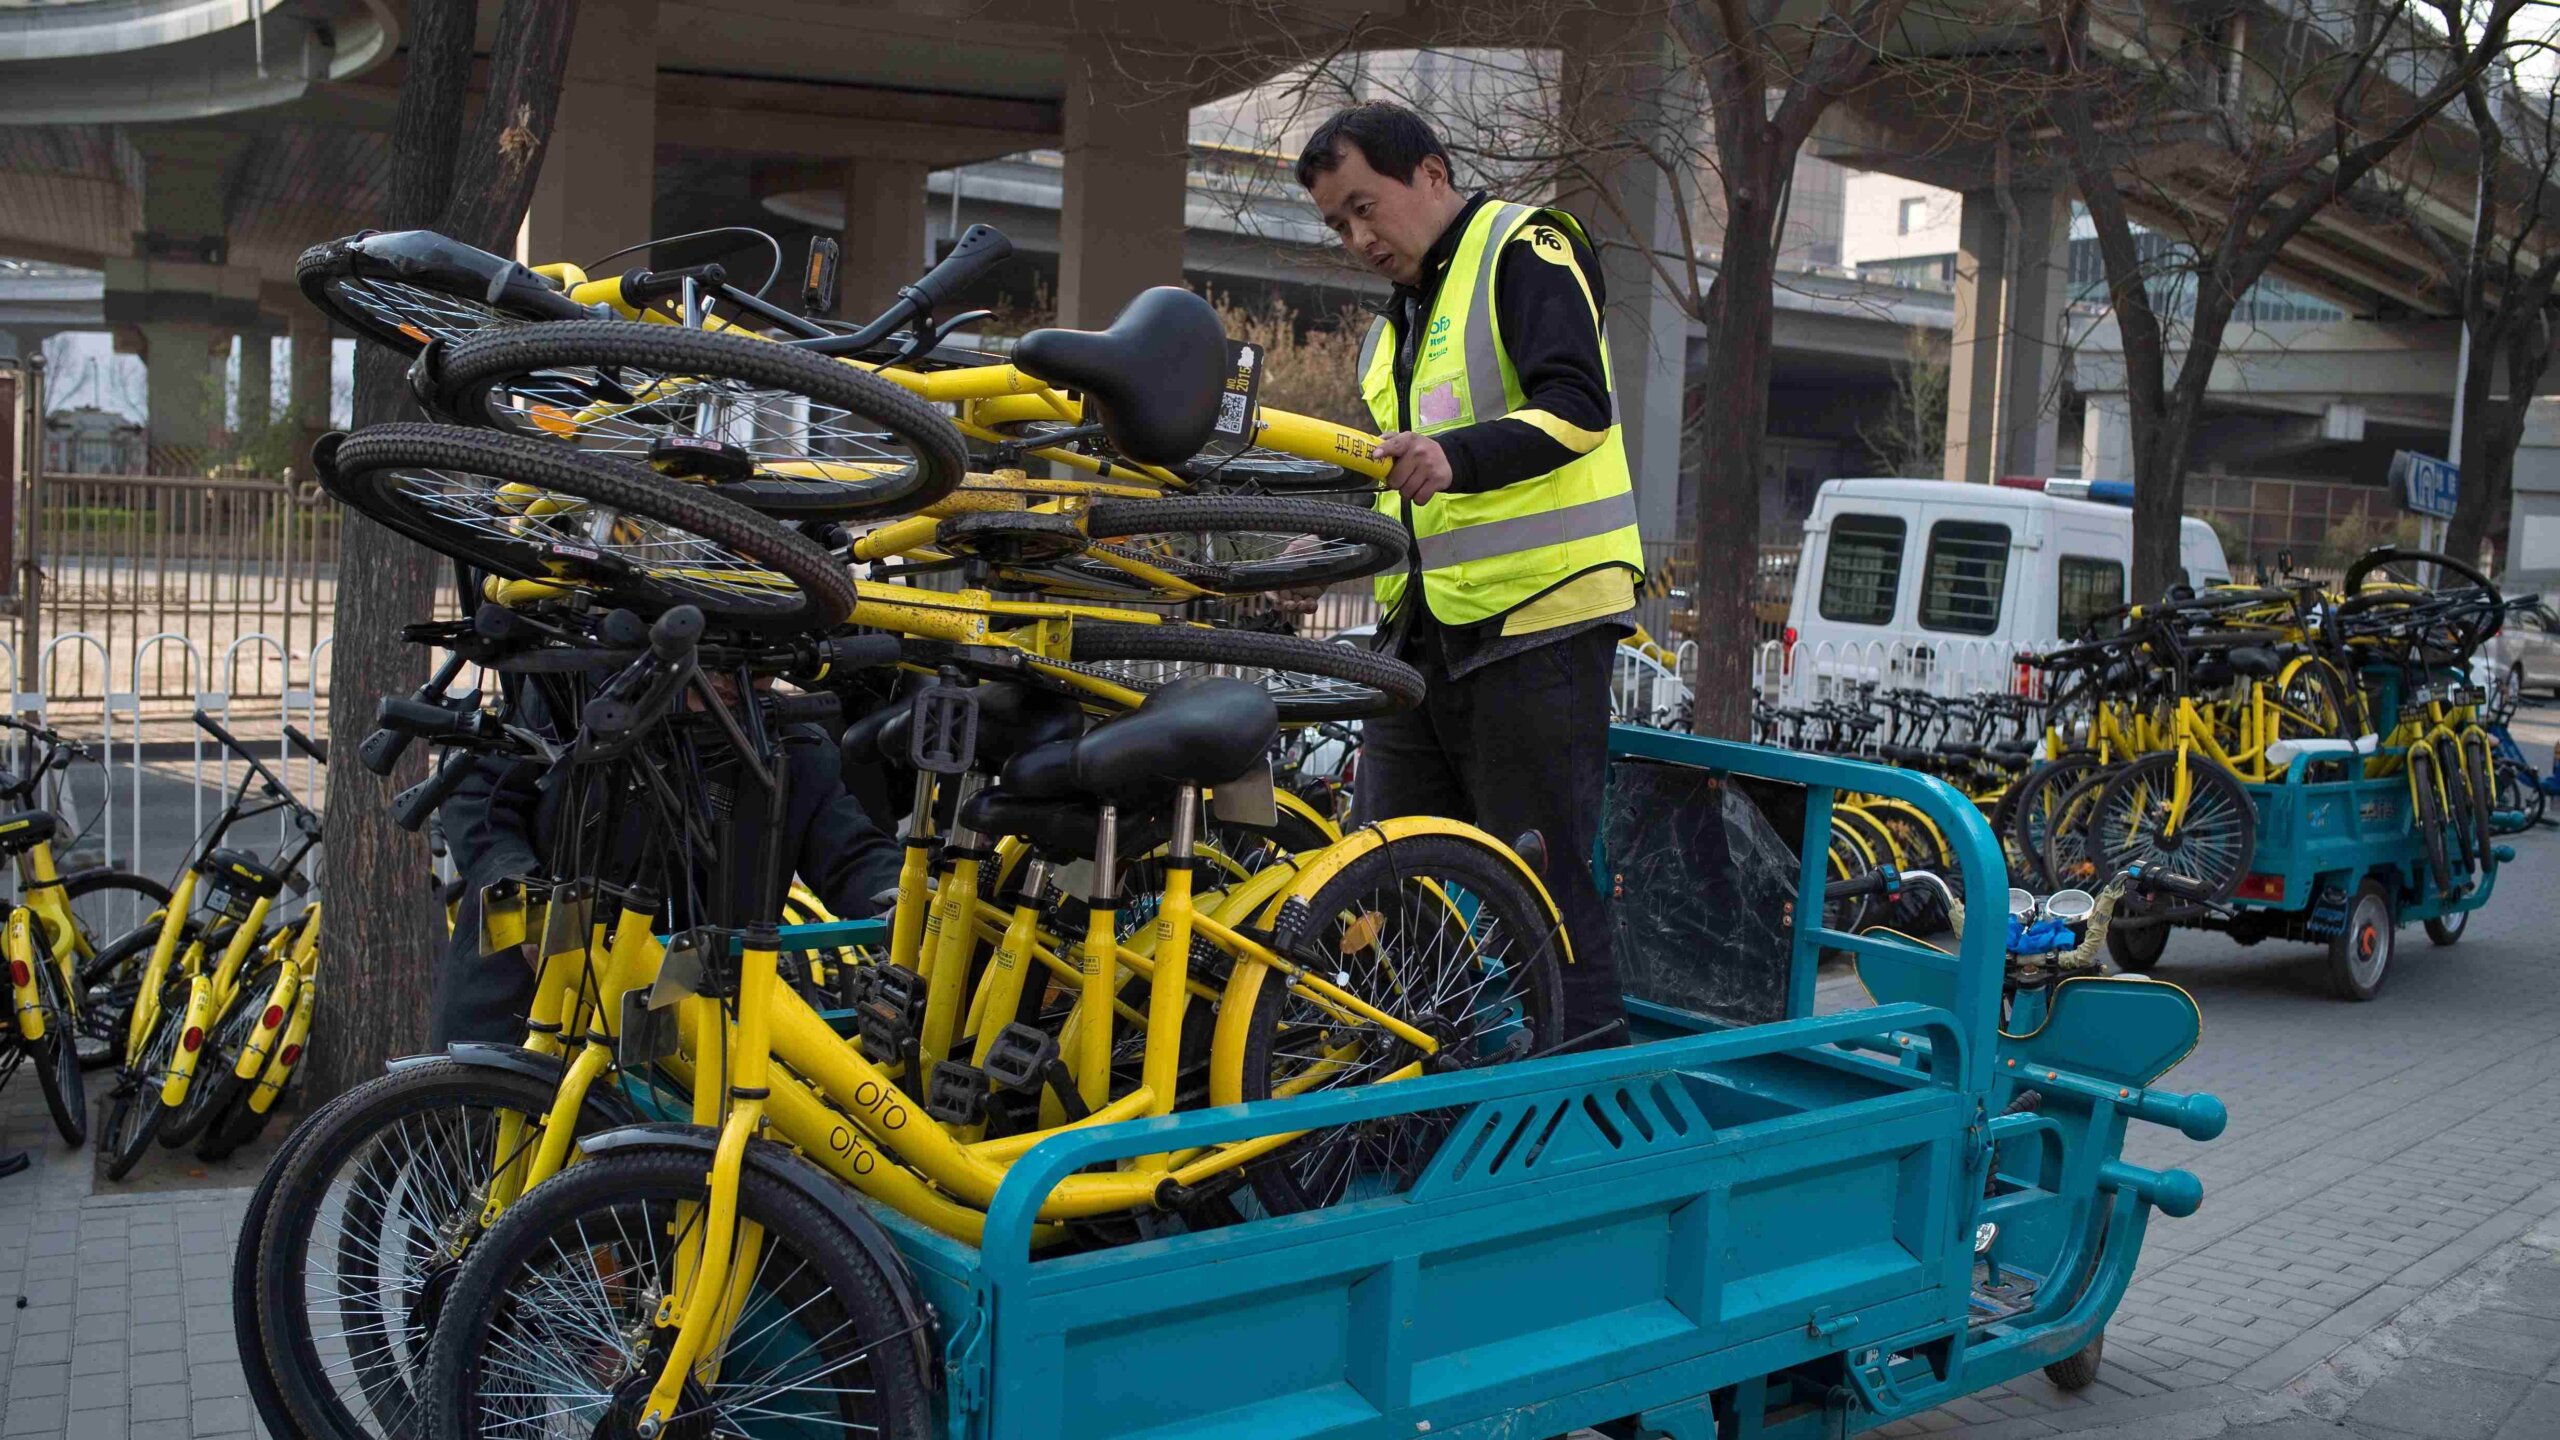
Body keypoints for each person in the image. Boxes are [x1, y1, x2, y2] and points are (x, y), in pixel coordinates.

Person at [1297, 101, 1645, 1050]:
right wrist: (1320, 545)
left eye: (1368, 208)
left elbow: (1580, 406)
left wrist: (1455, 456)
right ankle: (1416, 1085)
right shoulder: (1397, 328)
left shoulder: (1520, 251)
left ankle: (1585, 1107)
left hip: (1539, 623)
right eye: (1339, 225)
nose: (1359, 238)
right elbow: (1396, 487)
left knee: (1546, 887)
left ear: (1434, 175)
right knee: (1382, 875)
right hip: (1426, 637)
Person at [431, 679, 905, 1047]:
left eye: (754, 667)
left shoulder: (796, 751)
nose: (726, 680)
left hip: (671, 1030)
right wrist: (528, 905)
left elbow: (853, 856)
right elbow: (479, 797)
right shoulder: (578, 696)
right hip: (515, 1006)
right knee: (467, 1158)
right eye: (709, 649)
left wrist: (907, 903)